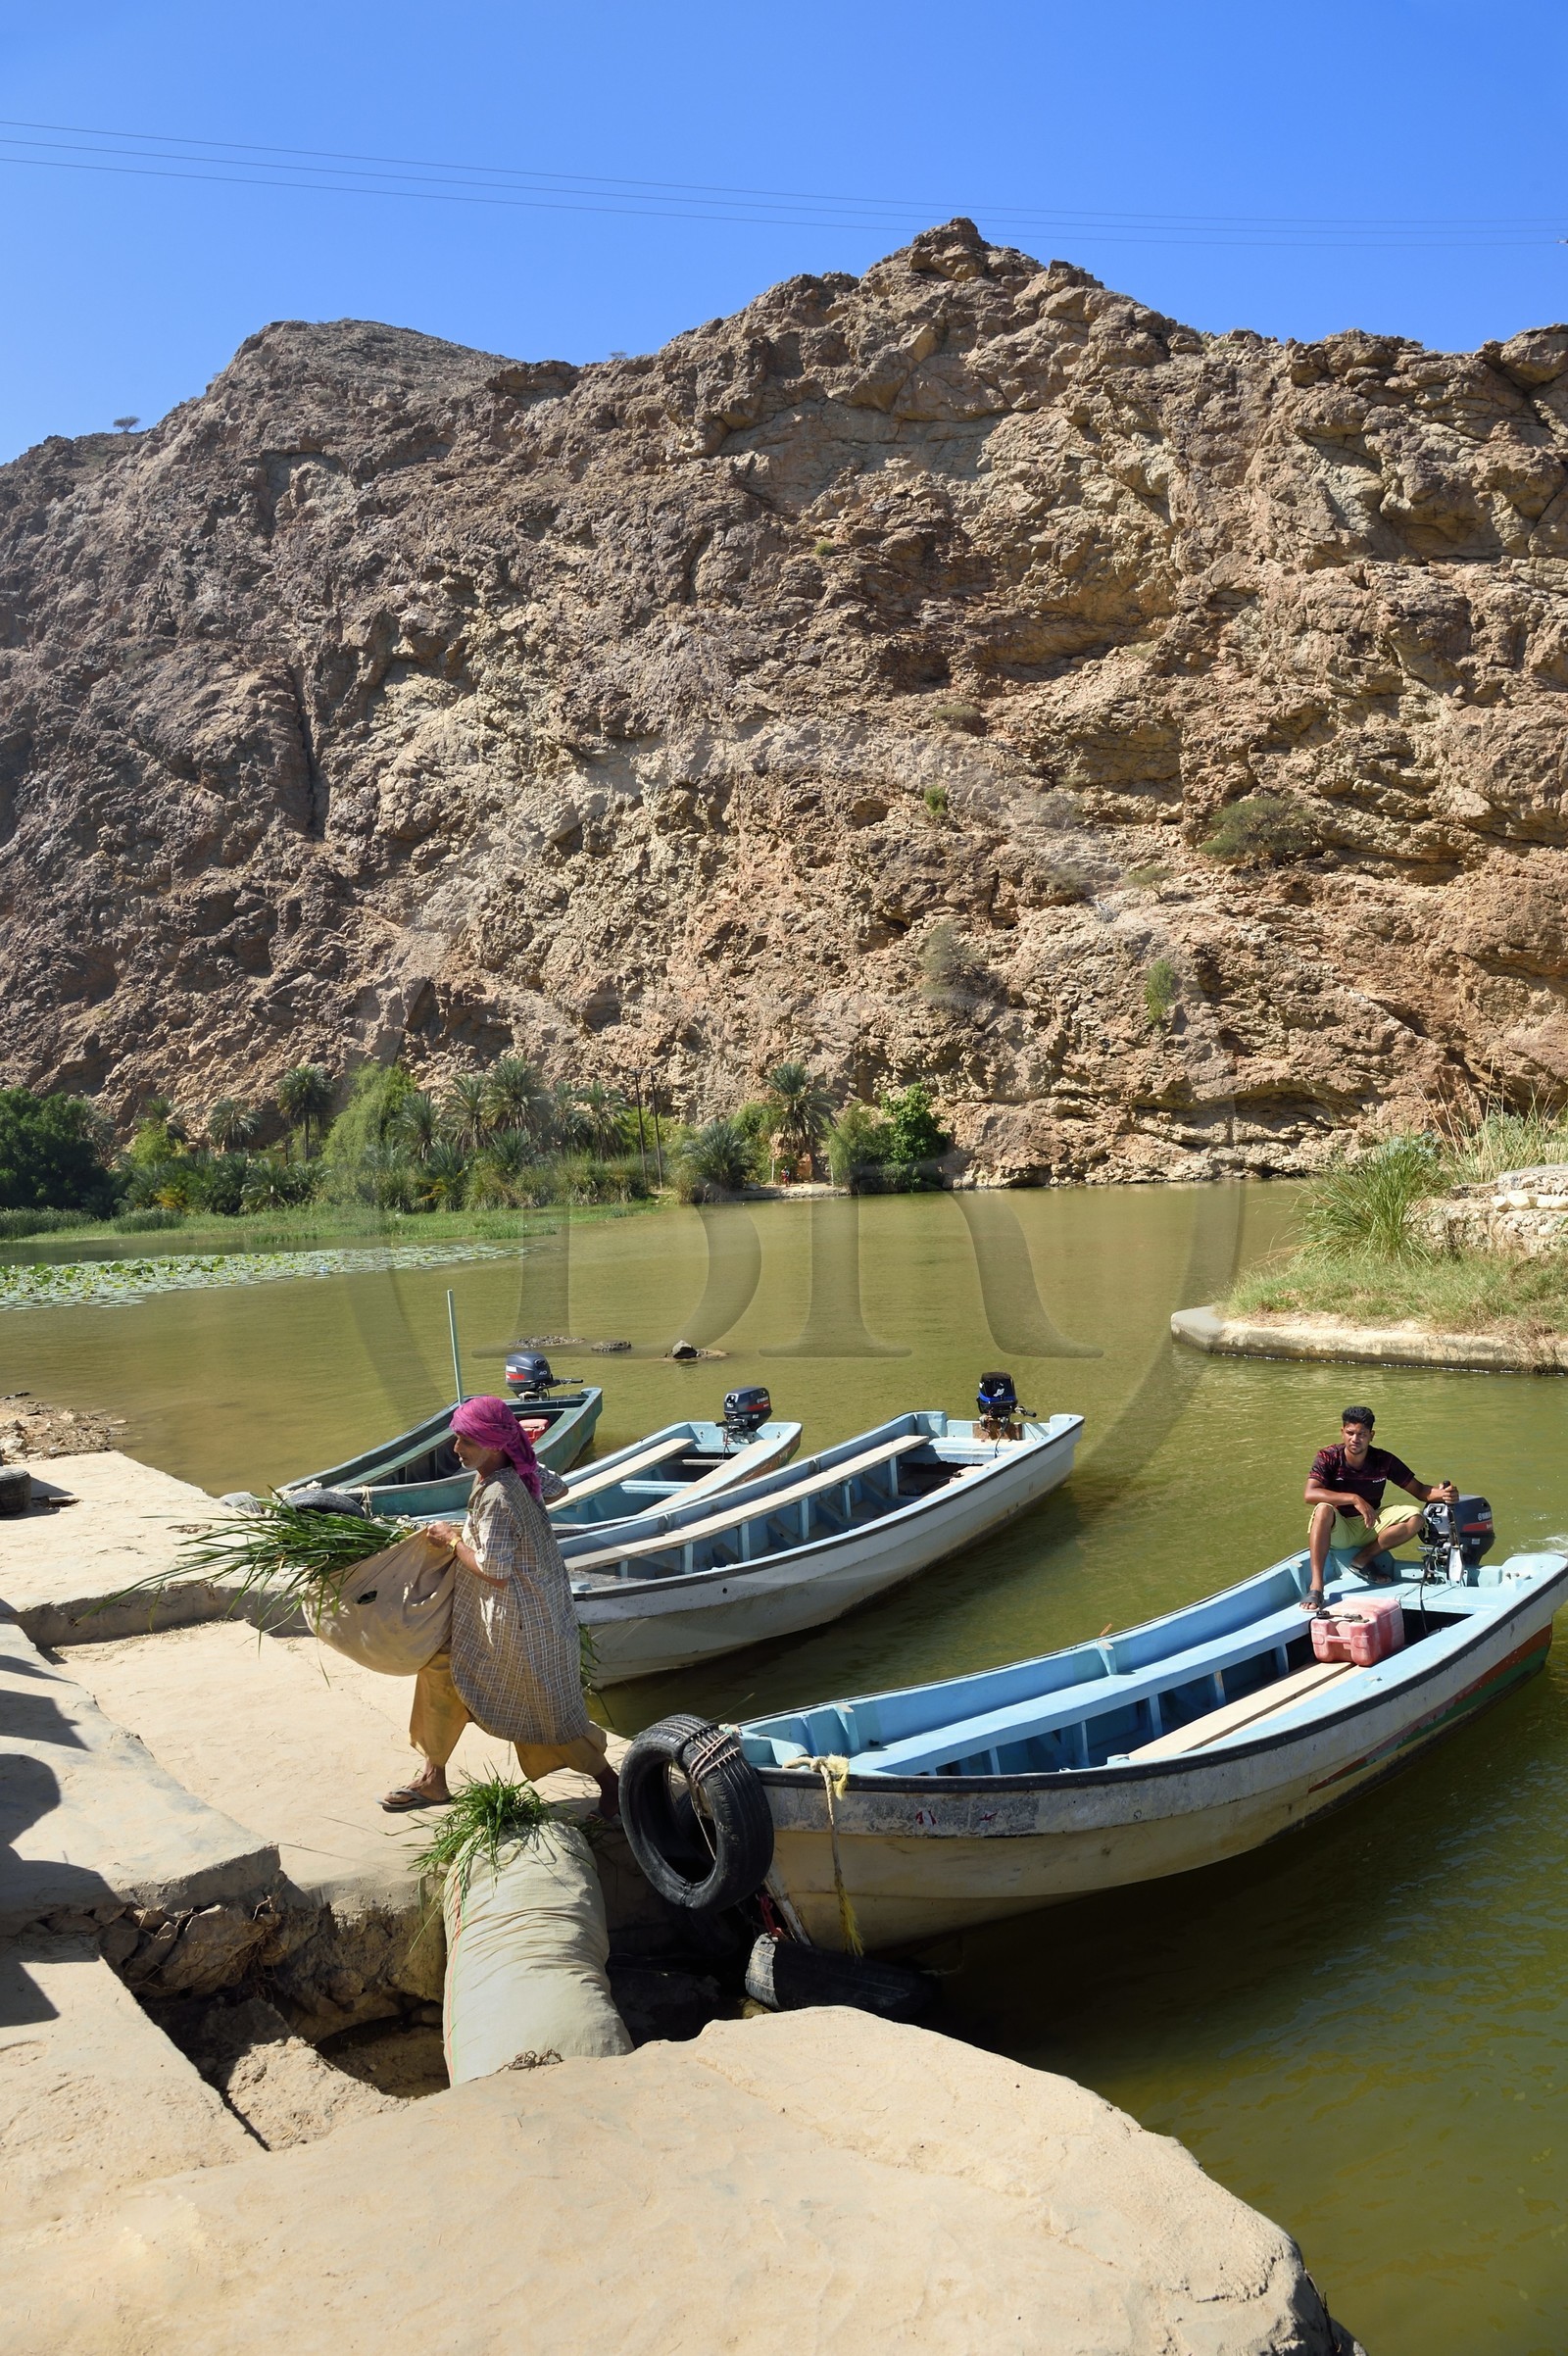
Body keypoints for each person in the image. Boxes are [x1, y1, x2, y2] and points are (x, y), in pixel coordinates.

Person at [380, 1395, 618, 1818]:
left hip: (520, 1624)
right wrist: (522, 1459)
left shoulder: (498, 1496)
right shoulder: (519, 1472)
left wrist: (450, 1540)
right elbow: (558, 1486)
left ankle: (611, 1784)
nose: (456, 1450)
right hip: (528, 1610)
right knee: (442, 1672)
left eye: (465, 1442)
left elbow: (493, 1569)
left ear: (492, 1444)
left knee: (545, 1706)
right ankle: (433, 1779)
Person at [1302, 1405, 1457, 1612]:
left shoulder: (1384, 1460)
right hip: (1340, 1528)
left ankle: (1363, 1559)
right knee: (1323, 1509)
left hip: (1370, 1524)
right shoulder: (1329, 1456)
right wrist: (1353, 1498)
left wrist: (1445, 1493)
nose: (1355, 1439)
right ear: (1342, 1432)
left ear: (1371, 1436)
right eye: (1350, 1433)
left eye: (1362, 1434)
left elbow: (1420, 1491)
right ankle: (1317, 1586)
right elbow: (1310, 1494)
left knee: (1416, 1518)